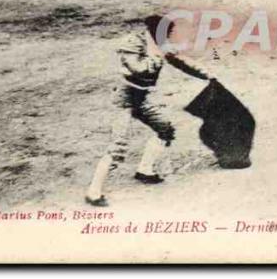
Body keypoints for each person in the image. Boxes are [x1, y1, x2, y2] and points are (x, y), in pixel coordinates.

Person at [85, 15, 213, 206]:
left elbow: (181, 63)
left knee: (165, 130)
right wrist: (157, 55)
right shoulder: (133, 43)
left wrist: (207, 75)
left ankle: (145, 170)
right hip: (124, 100)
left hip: (141, 98)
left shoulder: (160, 45)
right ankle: (93, 192)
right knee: (118, 146)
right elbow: (138, 69)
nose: (167, 37)